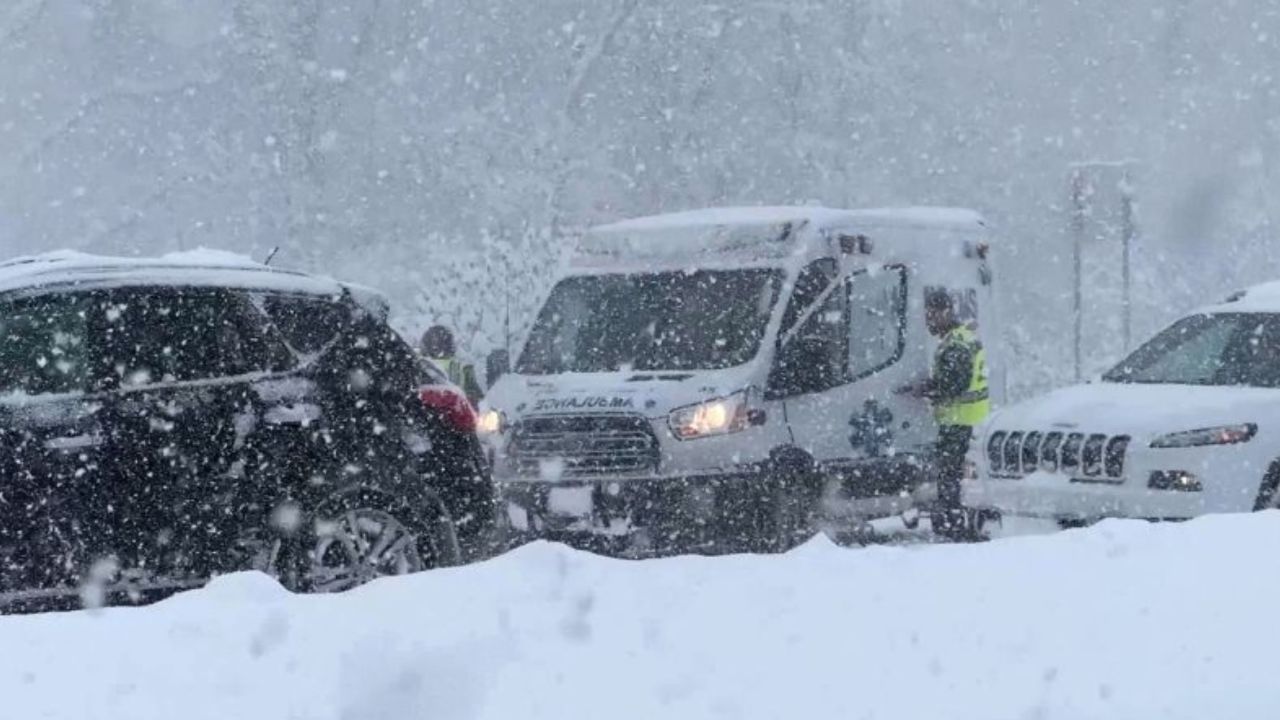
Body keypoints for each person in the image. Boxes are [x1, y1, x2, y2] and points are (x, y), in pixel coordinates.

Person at [897, 290, 990, 539]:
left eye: (932, 316)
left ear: (946, 312)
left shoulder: (955, 344)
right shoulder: (962, 338)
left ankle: (953, 524)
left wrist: (924, 389)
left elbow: (953, 384)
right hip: (968, 421)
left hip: (960, 423)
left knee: (951, 477)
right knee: (956, 476)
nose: (929, 322)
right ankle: (956, 520)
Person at [420, 325, 483, 405]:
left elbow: (475, 395)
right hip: (428, 409)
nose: (436, 346)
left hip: (455, 410)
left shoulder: (464, 368)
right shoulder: (420, 363)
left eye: (440, 343)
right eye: (434, 343)